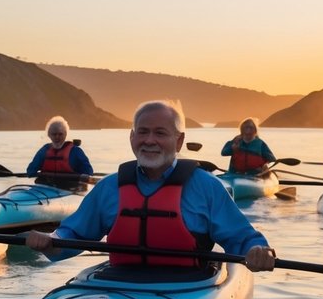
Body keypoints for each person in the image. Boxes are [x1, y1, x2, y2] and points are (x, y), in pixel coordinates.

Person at [26, 100, 276, 272]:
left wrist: (257, 250)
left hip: (189, 285)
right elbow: (74, 233)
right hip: (120, 282)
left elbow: (241, 237)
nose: (149, 141)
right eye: (142, 132)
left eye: (160, 133)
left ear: (178, 141)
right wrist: (53, 239)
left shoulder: (207, 187)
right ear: (132, 138)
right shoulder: (110, 187)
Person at [26, 115, 94, 191]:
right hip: (45, 187)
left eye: (60, 134)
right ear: (49, 135)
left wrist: (77, 176)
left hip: (70, 188)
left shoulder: (75, 151)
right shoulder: (44, 150)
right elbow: (30, 171)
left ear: (65, 134)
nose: (57, 137)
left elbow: (89, 172)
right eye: (54, 134)